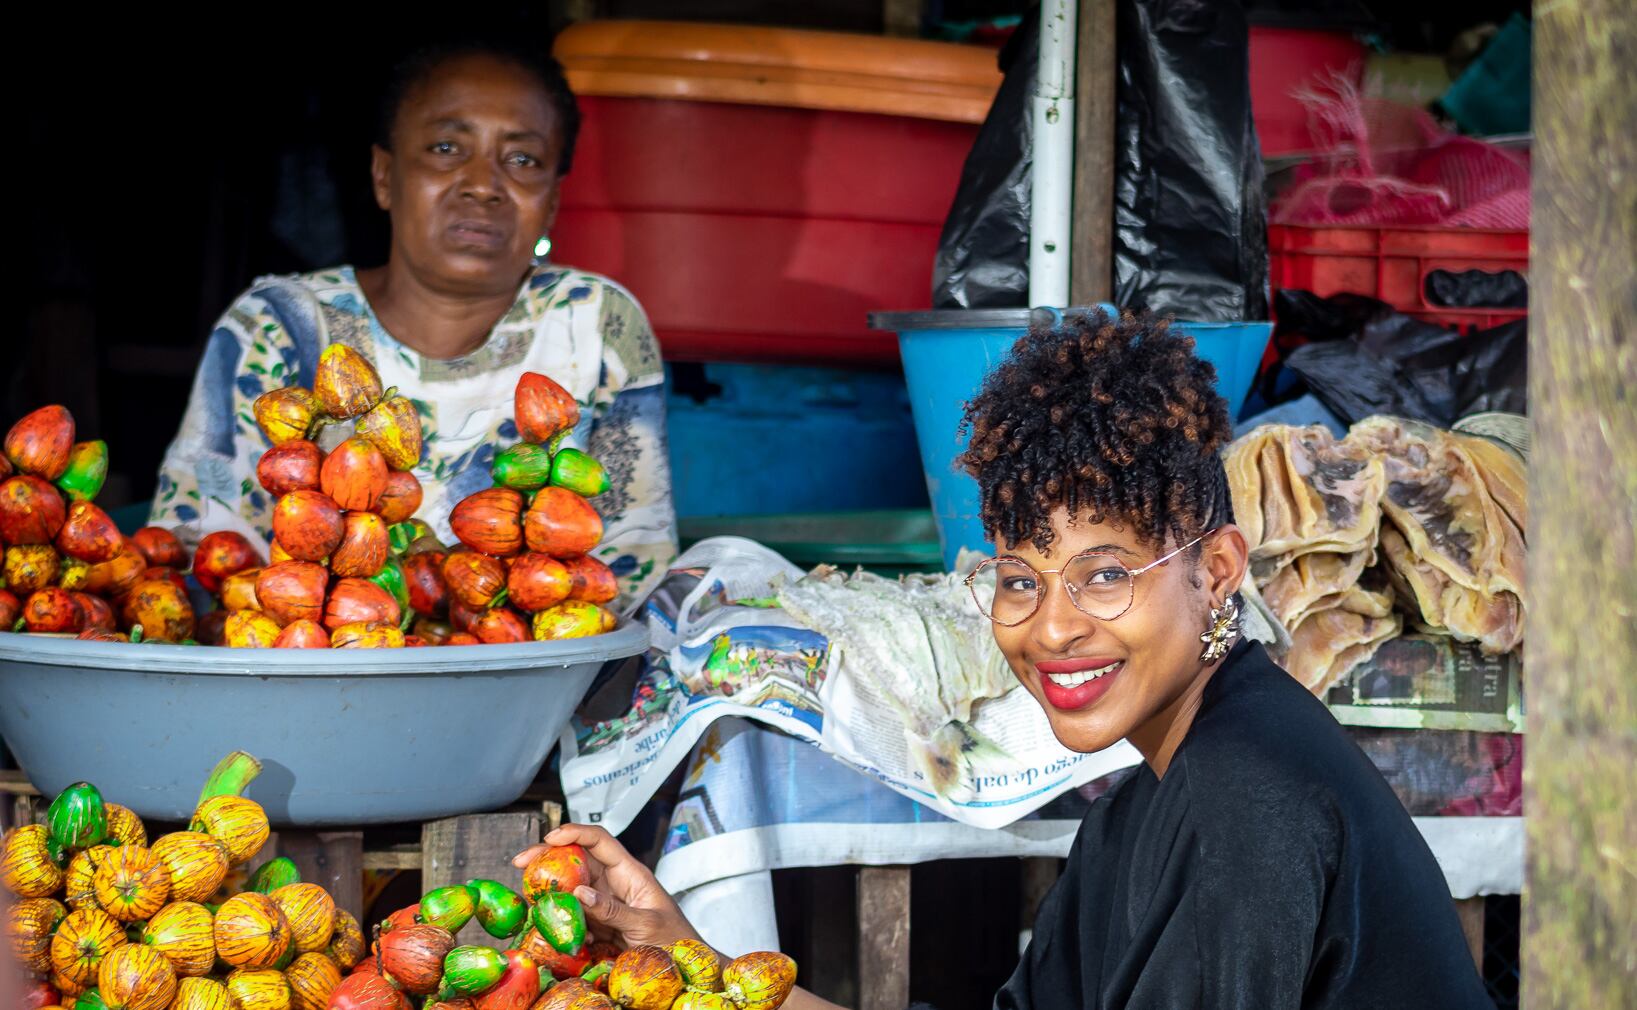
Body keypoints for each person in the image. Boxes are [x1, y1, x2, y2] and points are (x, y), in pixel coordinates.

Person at [515, 311, 1493, 1008]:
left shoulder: (1242, 792)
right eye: (1020, 579)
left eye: (1103, 574)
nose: (1052, 626)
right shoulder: (1153, 785)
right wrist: (684, 954)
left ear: (1216, 571)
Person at [152, 37, 676, 603]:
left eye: (522, 159)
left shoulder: (597, 324)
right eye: (447, 148)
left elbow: (632, 572)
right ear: (383, 174)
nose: (482, 183)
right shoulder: (279, 327)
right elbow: (206, 551)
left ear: (550, 202)